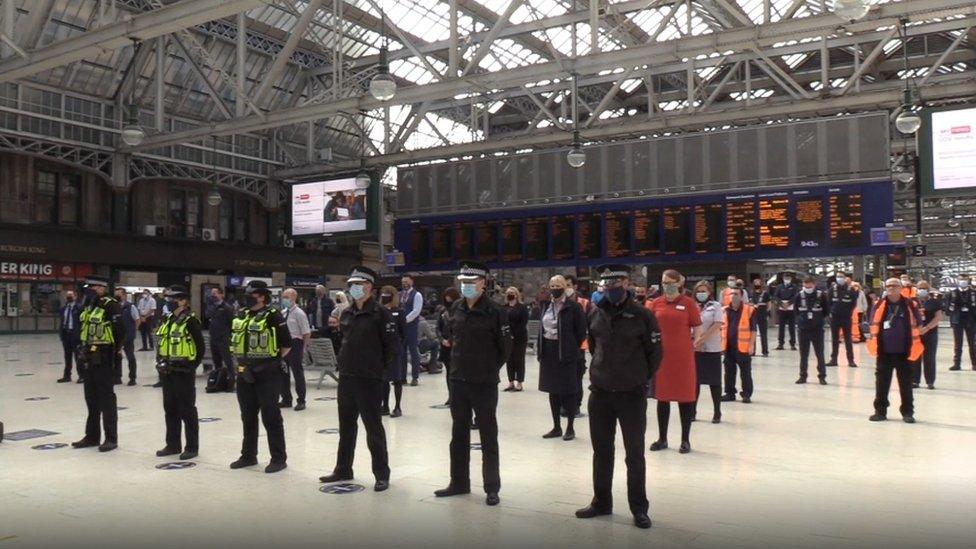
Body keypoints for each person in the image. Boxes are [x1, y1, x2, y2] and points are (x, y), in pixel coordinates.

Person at [576, 264, 661, 529]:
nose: (611, 289)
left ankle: (639, 508)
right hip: (600, 393)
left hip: (631, 394)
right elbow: (593, 345)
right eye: (606, 284)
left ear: (626, 283)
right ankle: (601, 502)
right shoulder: (595, 313)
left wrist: (639, 380)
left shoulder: (643, 315)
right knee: (601, 451)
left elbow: (655, 354)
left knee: (634, 454)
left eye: (616, 283)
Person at [435, 261, 511, 507]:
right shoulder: (456, 307)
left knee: (488, 434)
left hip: (484, 382)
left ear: (483, 283)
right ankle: (459, 482)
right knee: (458, 433)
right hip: (458, 380)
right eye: (463, 282)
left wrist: (488, 368)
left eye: (471, 282)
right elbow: (452, 336)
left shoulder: (496, 311)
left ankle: (491, 487)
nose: (466, 286)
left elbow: (505, 349)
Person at [320, 267, 397, 492]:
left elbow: (392, 347)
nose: (354, 287)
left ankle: (381, 474)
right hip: (347, 378)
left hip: (369, 379)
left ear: (370, 287)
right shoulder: (347, 313)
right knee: (346, 426)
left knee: (373, 428)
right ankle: (343, 468)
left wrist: (377, 370)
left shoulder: (381, 314)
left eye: (359, 284)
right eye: (352, 283)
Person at [229, 280, 292, 473]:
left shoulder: (273, 315)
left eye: (251, 294)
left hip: (267, 374)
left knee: (270, 415)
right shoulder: (242, 315)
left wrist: (270, 362)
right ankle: (248, 455)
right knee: (247, 416)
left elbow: (287, 344)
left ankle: (278, 458)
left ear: (262, 296)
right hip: (244, 372)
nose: (247, 297)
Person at [648, 269, 702, 454]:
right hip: (662, 358)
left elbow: (697, 327)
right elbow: (649, 327)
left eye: (671, 282)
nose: (667, 286)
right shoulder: (656, 303)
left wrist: (695, 343)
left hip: (683, 358)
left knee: (684, 398)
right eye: (664, 282)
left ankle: (685, 440)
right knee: (662, 399)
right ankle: (662, 438)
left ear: (679, 283)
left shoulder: (688, 303)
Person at [71, 276, 123, 453]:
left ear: (101, 288)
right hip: (89, 355)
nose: (89, 290)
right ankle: (91, 436)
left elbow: (119, 331)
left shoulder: (110, 304)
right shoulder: (89, 304)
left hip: (105, 354)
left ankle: (111, 438)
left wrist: (116, 352)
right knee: (91, 397)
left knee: (106, 398)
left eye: (92, 288)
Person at [153, 286, 204, 460]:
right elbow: (161, 342)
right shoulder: (167, 319)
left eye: (175, 299)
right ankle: (173, 444)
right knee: (170, 408)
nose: (171, 301)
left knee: (187, 409)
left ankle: (192, 446)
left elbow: (200, 347)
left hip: (183, 370)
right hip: (167, 370)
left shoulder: (191, 320)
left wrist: (192, 366)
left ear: (184, 301)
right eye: (169, 298)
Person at [537, 276, 587, 440]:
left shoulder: (573, 307)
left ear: (565, 287)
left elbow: (581, 331)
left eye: (558, 285)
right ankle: (556, 426)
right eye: (552, 285)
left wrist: (572, 346)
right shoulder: (545, 305)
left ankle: (570, 427)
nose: (554, 288)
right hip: (549, 352)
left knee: (568, 390)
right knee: (553, 390)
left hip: (566, 352)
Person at [867, 278, 923, 424]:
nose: (891, 288)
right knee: (881, 384)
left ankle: (907, 413)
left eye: (894, 285)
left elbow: (918, 322)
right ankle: (880, 412)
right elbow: (871, 321)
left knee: (905, 385)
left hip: (905, 352)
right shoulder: (879, 304)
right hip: (884, 352)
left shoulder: (910, 304)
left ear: (901, 288)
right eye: (888, 286)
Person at [692, 281, 723, 424]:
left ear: (709, 292)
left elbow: (717, 324)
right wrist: (696, 340)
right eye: (699, 291)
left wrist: (702, 338)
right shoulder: (691, 305)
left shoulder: (715, 306)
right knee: (695, 381)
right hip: (695, 348)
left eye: (704, 291)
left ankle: (717, 411)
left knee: (714, 382)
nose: (701, 294)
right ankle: (692, 411)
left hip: (712, 348)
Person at [721, 287, 757, 403]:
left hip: (743, 346)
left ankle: (746, 394)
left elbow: (753, 330)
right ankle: (730, 393)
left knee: (745, 372)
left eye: (736, 294)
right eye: (731, 294)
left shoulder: (749, 310)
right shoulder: (724, 310)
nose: (733, 296)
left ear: (741, 296)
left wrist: (751, 345)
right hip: (728, 346)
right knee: (729, 372)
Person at [279, 288, 311, 411]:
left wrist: (304, 348)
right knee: (284, 372)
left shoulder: (299, 313)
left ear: (294, 297)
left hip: (296, 343)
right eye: (283, 297)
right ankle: (286, 399)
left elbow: (306, 333)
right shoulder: (283, 313)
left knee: (297, 373)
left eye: (287, 297)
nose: (284, 299)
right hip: (284, 345)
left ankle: (301, 400)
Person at [565, 274, 593, 414]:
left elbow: (590, 325)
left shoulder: (584, 303)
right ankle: (565, 406)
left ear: (575, 286)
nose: (566, 288)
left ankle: (576, 406)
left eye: (568, 285)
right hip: (563, 348)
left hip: (579, 348)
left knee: (577, 377)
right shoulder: (558, 303)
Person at [794, 276, 829, 385]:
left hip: (817, 329)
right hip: (803, 329)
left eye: (809, 285)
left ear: (814, 284)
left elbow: (826, 311)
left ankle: (822, 376)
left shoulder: (821, 295)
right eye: (805, 285)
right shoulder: (799, 296)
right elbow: (796, 311)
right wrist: (801, 321)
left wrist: (817, 320)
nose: (807, 287)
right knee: (803, 355)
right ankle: (803, 376)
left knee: (820, 354)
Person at [379, 285, 407, 418]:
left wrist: (397, 345)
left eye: (388, 294)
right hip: (382, 351)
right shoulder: (379, 311)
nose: (385, 296)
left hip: (395, 350)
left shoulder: (399, 312)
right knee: (384, 380)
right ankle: (385, 405)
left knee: (397, 379)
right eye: (384, 294)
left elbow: (403, 332)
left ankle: (397, 407)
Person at [826, 271, 860, 368]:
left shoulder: (850, 289)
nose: (839, 278)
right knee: (835, 339)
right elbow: (828, 302)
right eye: (838, 276)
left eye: (841, 276)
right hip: (835, 318)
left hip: (846, 318)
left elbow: (854, 303)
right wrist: (829, 314)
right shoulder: (832, 289)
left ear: (845, 278)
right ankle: (833, 360)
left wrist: (848, 312)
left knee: (848, 339)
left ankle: (851, 361)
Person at [912, 281, 942, 390]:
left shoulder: (934, 302)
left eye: (924, 288)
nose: (921, 290)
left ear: (928, 289)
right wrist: (916, 328)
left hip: (930, 333)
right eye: (919, 288)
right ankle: (915, 381)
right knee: (915, 357)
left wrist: (927, 327)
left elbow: (938, 317)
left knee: (929, 357)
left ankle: (930, 381)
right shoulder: (912, 302)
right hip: (916, 333)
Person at [207, 287, 236, 393]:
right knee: (216, 361)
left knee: (228, 361)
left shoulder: (227, 307)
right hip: (213, 337)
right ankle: (219, 381)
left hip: (223, 338)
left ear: (221, 295)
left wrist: (229, 335)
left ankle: (231, 383)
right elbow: (207, 315)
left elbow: (231, 322)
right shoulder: (212, 306)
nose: (213, 295)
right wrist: (211, 305)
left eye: (215, 293)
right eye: (212, 293)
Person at [398, 275, 424, 386]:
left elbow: (416, 311)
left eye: (407, 281)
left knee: (413, 352)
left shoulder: (417, 295)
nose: (405, 283)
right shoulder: (399, 295)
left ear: (412, 282)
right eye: (403, 281)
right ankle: (402, 378)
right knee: (401, 353)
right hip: (401, 328)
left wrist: (404, 320)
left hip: (411, 327)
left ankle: (415, 377)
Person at [947, 274, 976, 371]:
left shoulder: (973, 292)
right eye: (961, 279)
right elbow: (947, 308)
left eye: (965, 279)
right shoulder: (953, 293)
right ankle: (957, 364)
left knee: (972, 343)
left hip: (970, 320)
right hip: (957, 320)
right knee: (957, 343)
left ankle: (974, 364)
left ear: (968, 280)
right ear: (957, 281)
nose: (963, 281)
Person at [503, 287, 529, 392]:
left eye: (512, 293)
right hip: (508, 338)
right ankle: (511, 382)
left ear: (517, 294)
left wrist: (514, 334)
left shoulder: (522, 307)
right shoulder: (504, 307)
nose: (510, 294)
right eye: (508, 293)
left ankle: (519, 382)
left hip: (520, 337)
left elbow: (523, 322)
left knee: (519, 359)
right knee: (509, 360)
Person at [437, 287, 460, 407]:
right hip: (445, 345)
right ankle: (450, 395)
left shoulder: (459, 310)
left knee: (455, 372)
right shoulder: (442, 311)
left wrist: (451, 340)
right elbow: (438, 328)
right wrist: (442, 340)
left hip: (455, 344)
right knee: (448, 372)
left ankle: (456, 396)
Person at [112, 288, 140, 386]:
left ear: (124, 295)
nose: (117, 296)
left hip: (128, 336)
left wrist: (133, 332)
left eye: (118, 294)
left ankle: (132, 378)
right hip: (117, 336)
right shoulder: (114, 306)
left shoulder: (130, 307)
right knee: (117, 357)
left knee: (130, 357)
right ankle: (117, 377)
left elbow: (137, 320)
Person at [57, 290, 82, 383]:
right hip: (65, 334)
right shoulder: (63, 309)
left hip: (75, 334)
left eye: (70, 295)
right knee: (67, 356)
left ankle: (81, 376)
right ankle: (67, 376)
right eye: (67, 296)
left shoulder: (79, 308)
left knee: (78, 356)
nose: (69, 297)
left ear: (75, 296)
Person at [775, 271, 798, 350]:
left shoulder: (794, 286)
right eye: (785, 278)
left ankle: (793, 344)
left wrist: (789, 303)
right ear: (783, 278)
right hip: (782, 309)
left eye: (788, 278)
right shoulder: (779, 287)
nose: (787, 279)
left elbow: (796, 296)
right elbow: (776, 296)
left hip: (791, 308)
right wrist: (781, 304)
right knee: (781, 327)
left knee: (792, 327)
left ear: (791, 279)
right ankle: (780, 344)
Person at [749, 278, 771, 357]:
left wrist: (767, 313)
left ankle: (765, 351)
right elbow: (749, 303)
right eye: (755, 282)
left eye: (758, 282)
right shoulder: (751, 293)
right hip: (753, 315)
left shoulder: (765, 294)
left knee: (763, 334)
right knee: (753, 333)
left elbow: (769, 304)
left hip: (762, 315)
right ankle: (753, 351)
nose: (757, 284)